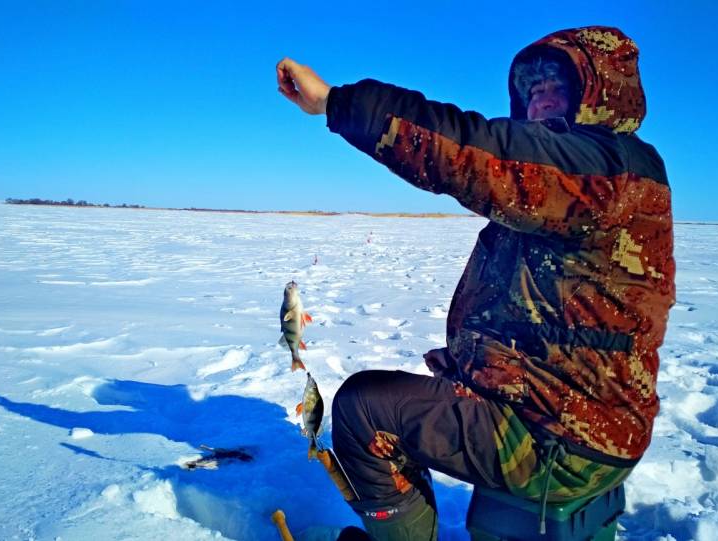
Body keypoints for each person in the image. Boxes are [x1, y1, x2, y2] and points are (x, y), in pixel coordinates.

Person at [277, 26, 675, 540]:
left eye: (555, 88)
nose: (538, 104)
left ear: (599, 95)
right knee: (405, 396)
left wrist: (336, 103)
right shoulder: (593, 183)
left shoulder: (603, 168)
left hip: (561, 436)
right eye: (530, 93)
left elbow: (467, 150)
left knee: (363, 409)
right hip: (577, 416)